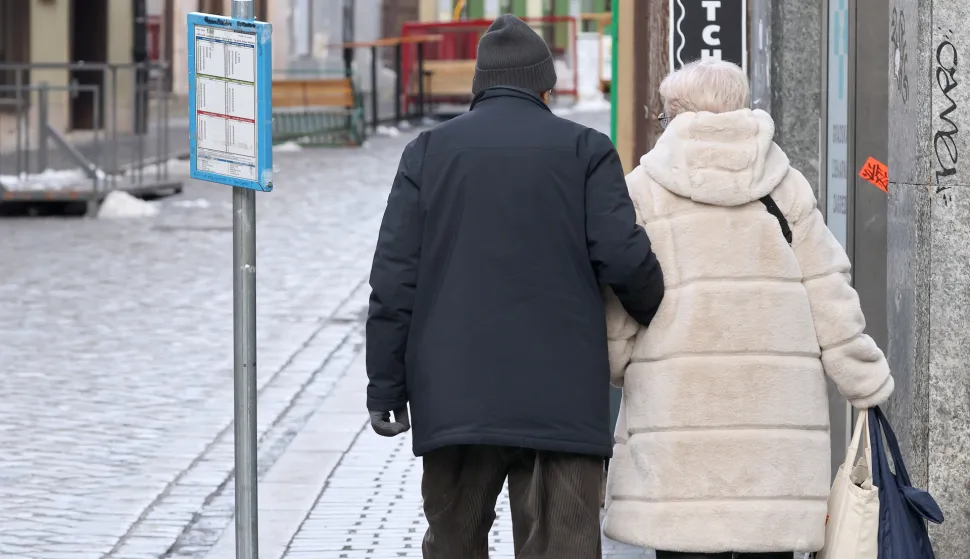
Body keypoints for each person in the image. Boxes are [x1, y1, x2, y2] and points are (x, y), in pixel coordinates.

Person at [365, 14, 665, 559]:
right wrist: (652, 308)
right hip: (562, 398)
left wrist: (386, 386)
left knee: (454, 543)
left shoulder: (427, 154)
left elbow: (393, 277)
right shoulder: (586, 151)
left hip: (456, 394)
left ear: (479, 84)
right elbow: (623, 256)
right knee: (561, 546)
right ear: (545, 85)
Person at [601, 59, 894, 559]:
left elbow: (623, 295)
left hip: (678, 418)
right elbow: (828, 290)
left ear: (675, 112)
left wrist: (619, 360)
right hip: (774, 430)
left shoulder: (642, 190)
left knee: (683, 546)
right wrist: (861, 378)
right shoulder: (785, 186)